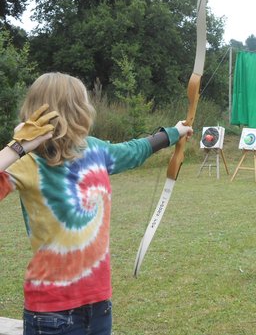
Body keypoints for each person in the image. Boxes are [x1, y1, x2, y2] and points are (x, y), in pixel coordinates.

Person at [0, 72, 193, 335]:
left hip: (99, 303)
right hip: (50, 311)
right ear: (77, 110)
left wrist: (174, 133)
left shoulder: (94, 149)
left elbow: (134, 150)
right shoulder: (26, 162)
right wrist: (18, 147)